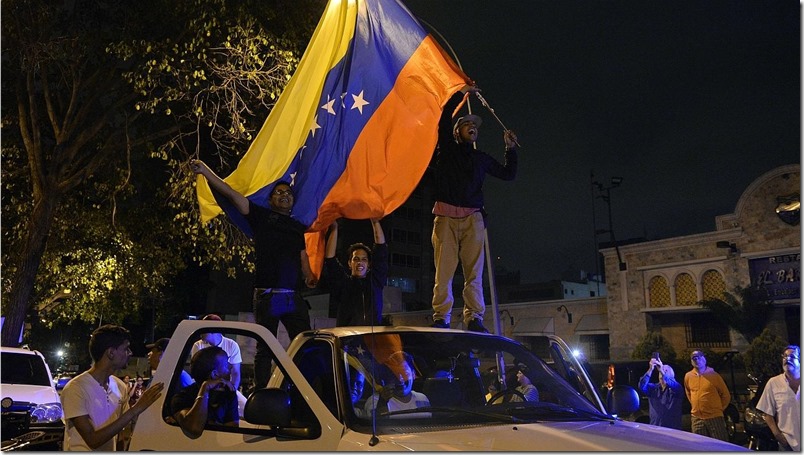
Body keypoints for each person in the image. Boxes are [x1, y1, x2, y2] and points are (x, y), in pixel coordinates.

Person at [191, 160, 316, 389]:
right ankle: (263, 394)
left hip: (293, 297)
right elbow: (230, 193)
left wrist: (309, 275)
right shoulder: (260, 216)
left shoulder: (297, 227)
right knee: (264, 350)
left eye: (288, 193)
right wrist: (205, 171)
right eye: (278, 193)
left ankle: (304, 391)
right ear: (271, 200)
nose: (284, 195)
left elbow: (302, 256)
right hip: (267, 296)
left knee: (306, 344)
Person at [429, 84, 519, 333]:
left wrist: (510, 149)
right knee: (444, 272)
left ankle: (474, 318)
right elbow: (443, 118)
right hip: (446, 217)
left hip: (472, 219)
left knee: (474, 274)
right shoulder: (447, 150)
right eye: (467, 124)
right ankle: (441, 317)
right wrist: (462, 92)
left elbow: (508, 174)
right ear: (457, 132)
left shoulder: (481, 159)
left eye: (476, 126)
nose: (473, 127)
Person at [60, 324, 164, 451]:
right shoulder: (76, 388)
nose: (130, 353)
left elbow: (120, 433)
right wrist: (137, 408)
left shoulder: (119, 386)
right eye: (126, 349)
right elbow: (92, 439)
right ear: (110, 353)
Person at [324, 218, 388, 326]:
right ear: (349, 263)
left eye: (364, 259)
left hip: (372, 339)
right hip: (348, 339)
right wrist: (334, 227)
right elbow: (330, 258)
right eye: (356, 259)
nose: (360, 263)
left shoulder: (375, 281)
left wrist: (375, 220)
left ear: (368, 264)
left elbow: (380, 248)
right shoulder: (343, 282)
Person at [171, 346, 239, 438]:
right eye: (226, 365)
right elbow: (194, 428)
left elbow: (231, 433)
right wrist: (205, 389)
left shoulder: (228, 394)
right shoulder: (182, 397)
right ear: (214, 374)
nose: (230, 367)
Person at [191, 314, 247, 416]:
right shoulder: (198, 345)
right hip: (204, 388)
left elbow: (235, 372)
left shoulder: (231, 345)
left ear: (213, 329)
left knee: (247, 408)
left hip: (226, 386)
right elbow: (198, 372)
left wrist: (232, 390)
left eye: (204, 330)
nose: (201, 334)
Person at [756, 345, 801, 451]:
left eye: (792, 356)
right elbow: (767, 413)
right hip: (788, 444)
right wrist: (778, 435)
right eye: (784, 356)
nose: (787, 359)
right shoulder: (773, 383)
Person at [364, 351, 431, 419]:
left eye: (404, 373)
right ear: (388, 377)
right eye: (394, 374)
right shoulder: (374, 401)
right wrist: (382, 403)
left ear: (413, 374)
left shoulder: (422, 398)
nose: (400, 379)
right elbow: (378, 425)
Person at [683, 350, 731, 441]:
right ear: (691, 361)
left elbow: (725, 395)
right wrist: (696, 406)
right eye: (694, 358)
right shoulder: (688, 376)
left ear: (704, 359)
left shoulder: (714, 376)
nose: (697, 360)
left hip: (714, 417)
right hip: (697, 418)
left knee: (719, 443)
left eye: (699, 358)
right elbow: (688, 392)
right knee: (699, 445)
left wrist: (718, 409)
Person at [638, 356, 683, 429]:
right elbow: (641, 386)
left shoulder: (677, 388)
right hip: (655, 428)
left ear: (672, 376)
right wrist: (651, 369)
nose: (662, 373)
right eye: (660, 371)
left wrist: (661, 370)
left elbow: (673, 385)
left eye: (665, 371)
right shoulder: (653, 388)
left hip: (673, 430)